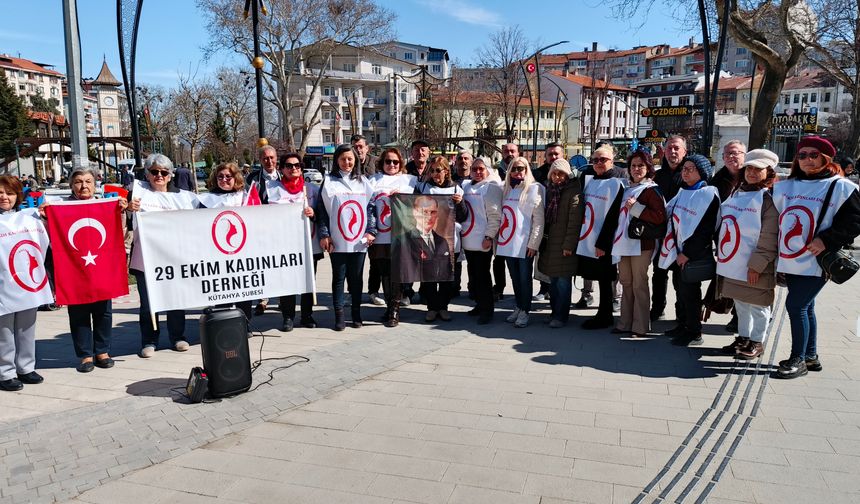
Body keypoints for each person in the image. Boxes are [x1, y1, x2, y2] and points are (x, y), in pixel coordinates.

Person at [772, 136, 860, 378]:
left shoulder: (841, 187)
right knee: (806, 306)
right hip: (791, 258)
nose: (807, 160)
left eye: (814, 155)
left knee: (796, 305)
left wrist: (827, 239)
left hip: (817, 260)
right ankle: (810, 356)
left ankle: (797, 359)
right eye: (802, 155)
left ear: (826, 158)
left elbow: (855, 221)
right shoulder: (786, 185)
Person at [41, 168, 128, 373]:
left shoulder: (104, 205)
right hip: (73, 268)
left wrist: (121, 213)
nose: (84, 186)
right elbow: (51, 239)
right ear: (71, 185)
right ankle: (84, 355)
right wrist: (46, 218)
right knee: (78, 313)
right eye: (78, 182)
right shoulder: (60, 208)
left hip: (101, 266)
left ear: (95, 184)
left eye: (88, 181)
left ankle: (102, 351)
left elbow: (118, 234)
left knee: (103, 311)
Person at [127, 154, 199, 357]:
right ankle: (149, 341)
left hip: (174, 258)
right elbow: (123, 222)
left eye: (164, 172)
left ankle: (178, 337)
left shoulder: (185, 197)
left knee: (175, 300)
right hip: (145, 259)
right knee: (148, 304)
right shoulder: (136, 194)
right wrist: (128, 210)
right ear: (147, 175)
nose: (159, 175)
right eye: (154, 172)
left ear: (170, 175)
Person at [717, 149, 779, 359]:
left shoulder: (768, 199)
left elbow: (769, 235)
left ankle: (757, 341)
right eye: (749, 168)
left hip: (755, 265)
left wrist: (757, 264)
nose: (752, 173)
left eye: (758, 169)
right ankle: (743, 337)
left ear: (768, 172)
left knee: (759, 305)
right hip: (735, 261)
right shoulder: (737, 192)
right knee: (741, 303)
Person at [658, 154, 720, 346]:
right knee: (680, 290)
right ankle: (682, 324)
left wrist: (687, 253)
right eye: (684, 168)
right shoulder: (682, 191)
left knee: (691, 294)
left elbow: (705, 230)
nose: (685, 172)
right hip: (677, 252)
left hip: (692, 255)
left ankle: (695, 332)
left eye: (690, 168)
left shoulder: (708, 194)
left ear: (701, 172)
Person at [317, 144, 376, 331]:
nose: (347, 162)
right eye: (343, 159)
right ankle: (339, 316)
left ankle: (357, 314)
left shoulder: (363, 182)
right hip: (338, 240)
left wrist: (371, 231)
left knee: (356, 279)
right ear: (336, 160)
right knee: (338, 278)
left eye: (350, 159)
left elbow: (370, 208)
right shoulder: (328, 181)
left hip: (359, 242)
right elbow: (322, 211)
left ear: (356, 160)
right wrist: (325, 234)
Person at [266, 153, 322, 332]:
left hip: (308, 243)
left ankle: (306, 315)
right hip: (285, 245)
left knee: (308, 281)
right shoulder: (272, 189)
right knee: (288, 281)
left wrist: (313, 214)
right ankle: (288, 317)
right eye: (289, 166)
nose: (294, 169)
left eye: (297, 165)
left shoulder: (312, 189)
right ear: (281, 168)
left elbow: (323, 215)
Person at [612, 151, 666, 338]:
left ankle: (640, 326)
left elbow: (660, 217)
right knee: (626, 282)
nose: (636, 169)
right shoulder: (626, 188)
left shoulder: (652, 190)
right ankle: (624, 322)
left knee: (639, 284)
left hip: (642, 244)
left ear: (648, 168)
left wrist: (636, 208)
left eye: (641, 166)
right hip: (623, 243)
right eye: (633, 166)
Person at [0, 175, 44, 391]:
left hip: (26, 282)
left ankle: (26, 367)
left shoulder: (30, 219)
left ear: (18, 196)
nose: (4, 197)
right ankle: (5, 372)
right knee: (4, 331)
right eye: (0, 193)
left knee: (27, 327)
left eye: (9, 193)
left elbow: (44, 243)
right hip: (2, 284)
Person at [576, 145, 626, 329]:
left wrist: (603, 243)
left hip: (604, 241)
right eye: (595, 160)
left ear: (612, 161)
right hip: (589, 238)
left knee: (606, 279)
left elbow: (613, 217)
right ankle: (602, 314)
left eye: (603, 160)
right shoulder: (591, 181)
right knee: (597, 276)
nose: (598, 163)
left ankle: (605, 316)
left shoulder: (616, 183)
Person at [414, 156, 468, 322]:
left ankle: (443, 307)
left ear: (446, 170)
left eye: (438, 170)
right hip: (428, 237)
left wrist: (460, 204)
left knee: (446, 277)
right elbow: (413, 210)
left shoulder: (456, 189)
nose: (435, 174)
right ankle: (432, 308)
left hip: (449, 239)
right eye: (432, 171)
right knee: (429, 276)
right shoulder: (423, 187)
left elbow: (463, 216)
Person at [368, 148, 417, 327]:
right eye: (388, 161)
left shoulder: (410, 180)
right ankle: (389, 307)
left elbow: (418, 204)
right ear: (382, 163)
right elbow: (367, 207)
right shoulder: (372, 181)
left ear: (401, 163)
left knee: (396, 273)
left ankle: (395, 310)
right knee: (384, 274)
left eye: (395, 162)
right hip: (379, 236)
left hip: (400, 236)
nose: (392, 165)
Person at [199, 162, 253, 321]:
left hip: (243, 251)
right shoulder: (207, 199)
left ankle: (245, 323)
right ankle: (224, 323)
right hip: (217, 252)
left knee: (244, 288)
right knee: (222, 289)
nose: (224, 179)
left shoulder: (245, 196)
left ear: (235, 178)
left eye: (228, 176)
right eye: (220, 176)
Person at [497, 156, 544, 328]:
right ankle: (518, 306)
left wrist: (534, 243)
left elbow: (538, 220)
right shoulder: (506, 189)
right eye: (514, 168)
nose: (518, 172)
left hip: (525, 244)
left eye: (521, 168)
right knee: (515, 278)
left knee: (525, 278)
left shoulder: (534, 189)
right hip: (508, 243)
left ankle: (525, 310)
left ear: (527, 170)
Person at [538, 159, 583, 328]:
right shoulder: (550, 191)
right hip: (550, 245)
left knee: (563, 283)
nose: (557, 177)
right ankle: (554, 312)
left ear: (567, 174)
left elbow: (574, 222)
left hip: (564, 245)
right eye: (554, 174)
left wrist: (568, 245)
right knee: (553, 282)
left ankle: (561, 316)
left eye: (561, 174)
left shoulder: (574, 192)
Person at [711, 140, 747, 333]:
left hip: (749, 238)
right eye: (727, 154)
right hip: (725, 237)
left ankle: (747, 316)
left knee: (748, 279)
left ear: (744, 155)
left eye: (736, 153)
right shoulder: (717, 181)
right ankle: (735, 314)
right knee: (730, 277)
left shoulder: (752, 176)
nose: (732, 157)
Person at [461, 158, 503, 325]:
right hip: (468, 238)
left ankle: (487, 309)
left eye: (481, 169)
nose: (478, 172)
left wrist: (489, 237)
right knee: (473, 275)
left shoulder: (491, 187)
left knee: (483, 275)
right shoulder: (466, 186)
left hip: (482, 240)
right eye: (475, 169)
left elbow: (495, 216)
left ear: (487, 170)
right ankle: (479, 304)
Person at [651, 135, 687, 322]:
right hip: (661, 234)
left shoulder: (689, 174)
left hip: (682, 236)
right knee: (659, 273)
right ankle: (657, 308)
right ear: (664, 151)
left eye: (676, 148)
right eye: (669, 148)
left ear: (684, 152)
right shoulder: (657, 175)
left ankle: (681, 314)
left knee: (680, 278)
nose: (673, 152)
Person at [248, 145, 280, 315]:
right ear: (260, 160)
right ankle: (263, 298)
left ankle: (283, 297)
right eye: (265, 158)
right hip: (260, 229)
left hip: (280, 229)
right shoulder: (253, 179)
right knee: (263, 264)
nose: (269, 161)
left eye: (272, 158)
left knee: (280, 263)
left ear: (276, 158)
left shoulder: (284, 176)